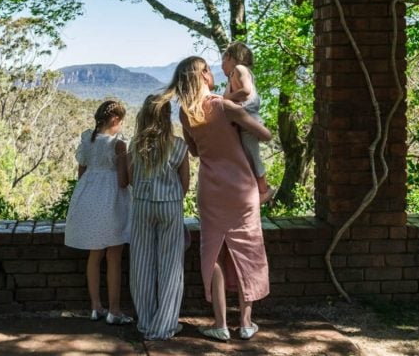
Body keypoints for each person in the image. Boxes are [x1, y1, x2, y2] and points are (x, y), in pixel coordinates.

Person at [163, 56, 273, 342]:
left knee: (213, 253)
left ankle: (220, 324)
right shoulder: (224, 106)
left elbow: (196, 152)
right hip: (242, 189)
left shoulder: (186, 114)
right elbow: (265, 135)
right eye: (209, 71)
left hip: (211, 190)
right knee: (247, 248)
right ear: (203, 75)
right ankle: (247, 324)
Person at [64, 100, 134, 325]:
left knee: (95, 255)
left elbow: (81, 173)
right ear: (115, 120)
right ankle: (114, 310)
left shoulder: (88, 140)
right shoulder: (119, 145)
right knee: (114, 256)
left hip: (89, 198)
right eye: (121, 121)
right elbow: (123, 182)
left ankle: (96, 306)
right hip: (112, 200)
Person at [127, 95, 190, 341]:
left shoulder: (136, 144)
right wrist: (171, 197)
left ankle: (146, 321)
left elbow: (131, 178)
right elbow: (184, 184)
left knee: (141, 265)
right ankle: (165, 325)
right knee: (171, 266)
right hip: (170, 206)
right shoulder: (178, 145)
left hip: (142, 205)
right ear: (166, 116)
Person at [221, 41, 276, 204]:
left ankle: (264, 191)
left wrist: (224, 99)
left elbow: (246, 91)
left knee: (252, 155)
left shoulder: (239, 69)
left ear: (229, 57)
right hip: (244, 120)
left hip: (248, 119)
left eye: (222, 61)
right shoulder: (235, 74)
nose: (221, 66)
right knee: (246, 155)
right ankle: (254, 188)